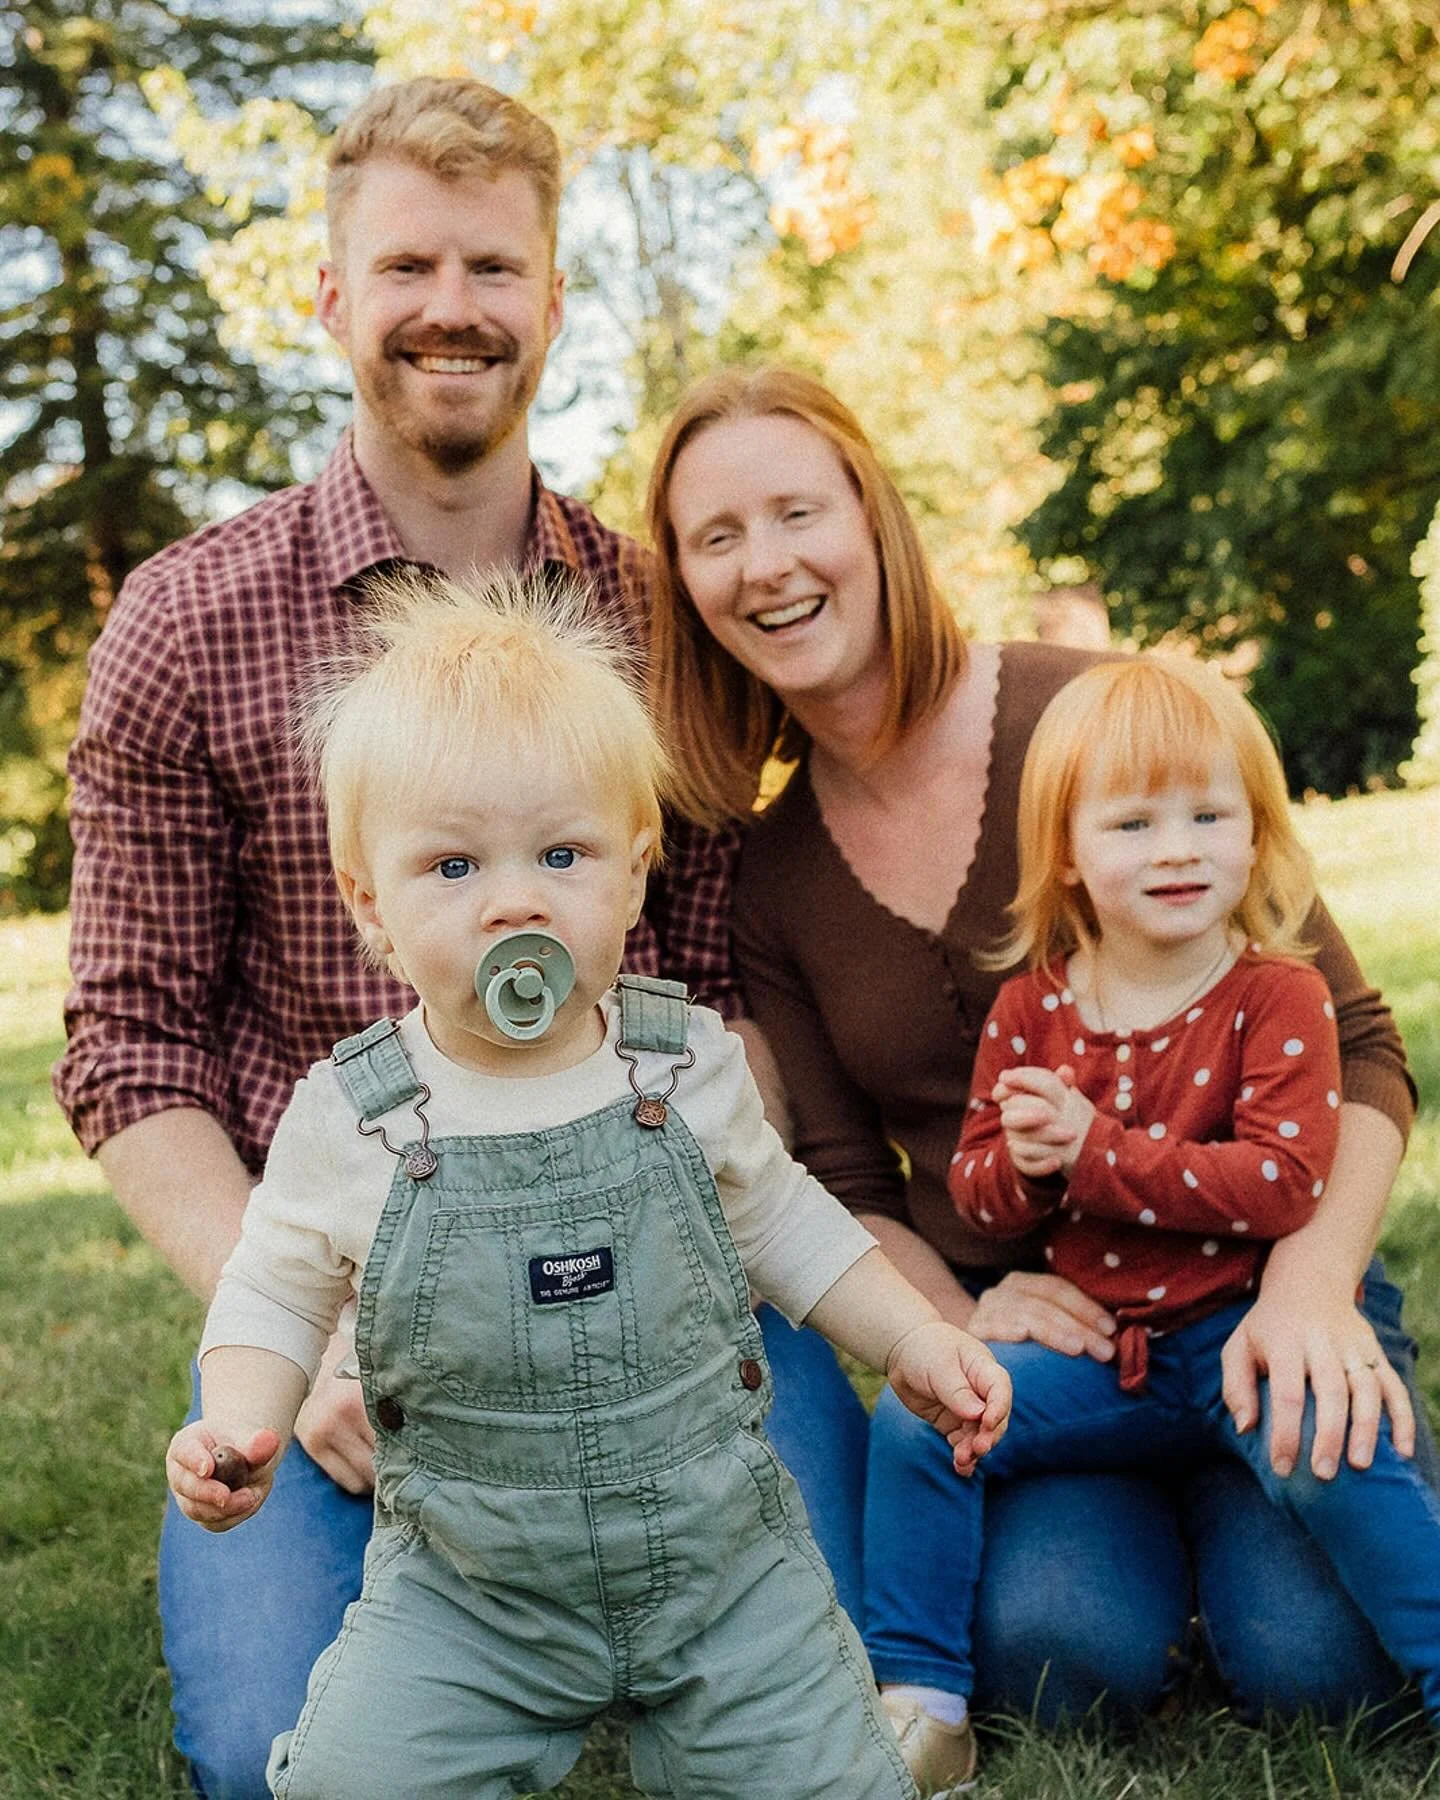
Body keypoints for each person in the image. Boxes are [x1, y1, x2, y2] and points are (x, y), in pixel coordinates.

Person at [54, 78, 743, 1800]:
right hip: (339, 1301)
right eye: (410, 263)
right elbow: (128, 1045)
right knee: (271, 1755)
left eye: (495, 267)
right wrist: (298, 1329)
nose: (455, 306)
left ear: (553, 305)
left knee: (791, 1705)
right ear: (331, 296)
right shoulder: (187, 622)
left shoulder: (661, 620)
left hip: (635, 1274)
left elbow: (720, 986)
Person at [644, 367, 1431, 1776]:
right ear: (687, 580)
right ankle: (1141, 1551)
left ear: (873, 518)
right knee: (1057, 1656)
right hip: (1056, 1339)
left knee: (1320, 1668)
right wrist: (960, 1321)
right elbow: (838, 1181)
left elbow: (1362, 1051)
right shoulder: (768, 875)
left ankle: (1263, 1521)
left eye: (797, 512)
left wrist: (1313, 1290)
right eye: (716, 537)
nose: (767, 565)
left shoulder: (1104, 725)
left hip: (1265, 1283)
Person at [164, 565, 1012, 1800]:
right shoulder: (351, 1117)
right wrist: (241, 1417)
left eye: (560, 853)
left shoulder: (686, 1062)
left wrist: (916, 1338)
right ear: (371, 903)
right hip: (470, 1594)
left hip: (721, 1572)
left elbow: (786, 1221)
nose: (516, 899)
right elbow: (273, 1294)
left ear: (632, 871)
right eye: (453, 867)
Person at [865, 654, 1440, 1784]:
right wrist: (1027, 1175)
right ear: (1068, 856)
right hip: (1104, 1359)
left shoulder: (1276, 994)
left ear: (1257, 833)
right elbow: (980, 1194)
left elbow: (1282, 1185)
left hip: (1249, 1334)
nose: (1178, 848)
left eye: (1209, 815)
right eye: (1133, 824)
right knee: (920, 1411)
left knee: (1332, 1445)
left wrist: (1096, 1153)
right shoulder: (1035, 1011)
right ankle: (921, 1696)